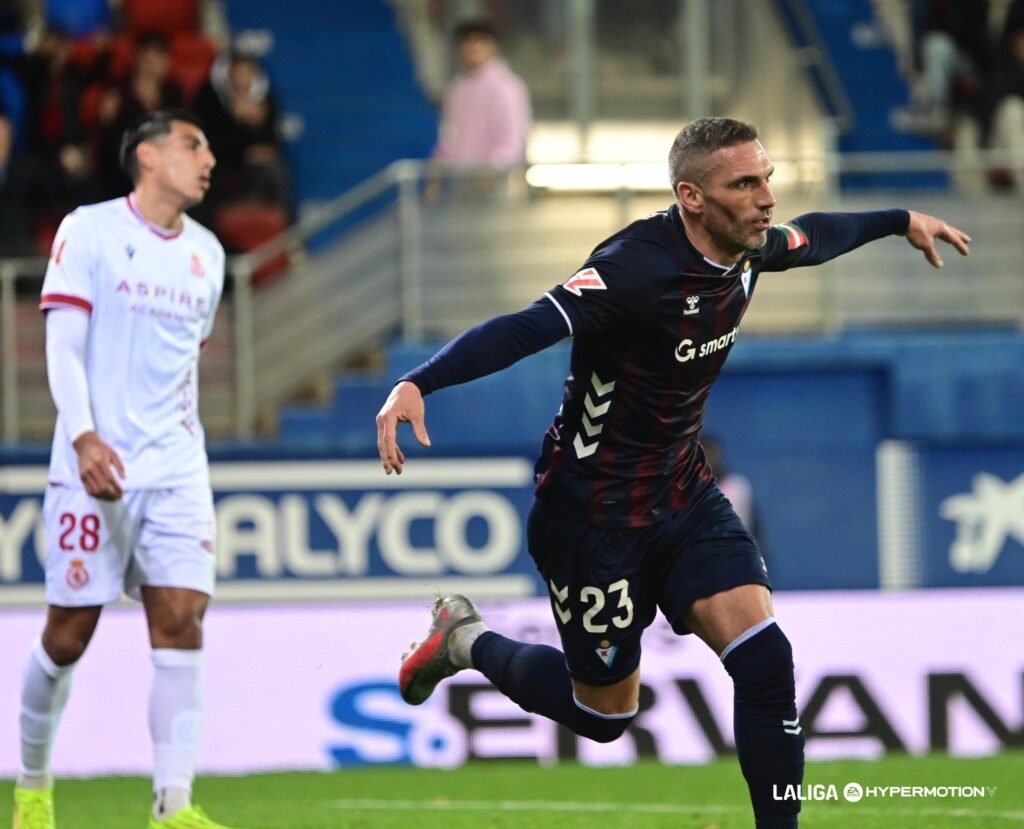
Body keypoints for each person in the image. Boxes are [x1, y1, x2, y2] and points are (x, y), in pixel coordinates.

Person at [376, 117, 971, 828]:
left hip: (682, 493)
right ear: (691, 196)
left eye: (766, 178)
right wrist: (420, 381)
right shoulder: (633, 266)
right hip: (591, 516)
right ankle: (465, 641)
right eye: (743, 184)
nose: (765, 198)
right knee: (606, 715)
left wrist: (897, 218)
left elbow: (814, 238)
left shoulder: (748, 248)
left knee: (765, 661)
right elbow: (528, 324)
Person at [12, 110, 238, 829]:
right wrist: (83, 437)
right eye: (192, 144)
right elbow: (64, 348)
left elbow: (183, 366)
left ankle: (173, 805)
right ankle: (33, 785)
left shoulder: (209, 254)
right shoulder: (90, 230)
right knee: (67, 633)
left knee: (181, 618)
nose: (208, 158)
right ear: (147, 155)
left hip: (175, 467)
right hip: (92, 463)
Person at [427, 19, 530, 200]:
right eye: (467, 41)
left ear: (492, 46)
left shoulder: (507, 86)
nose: (473, 47)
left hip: (495, 183)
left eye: (480, 41)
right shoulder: (457, 88)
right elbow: (450, 137)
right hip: (462, 182)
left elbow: (514, 137)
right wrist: (437, 171)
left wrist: (493, 168)